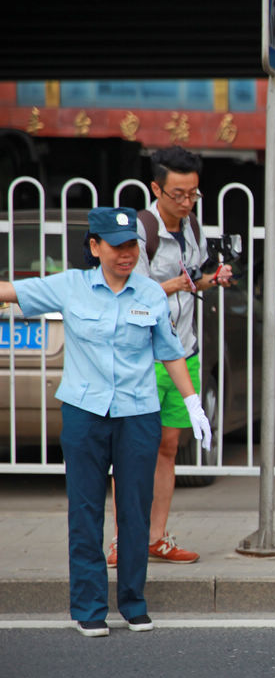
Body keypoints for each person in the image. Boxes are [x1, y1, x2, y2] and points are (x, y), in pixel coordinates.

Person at [0, 207, 212, 636]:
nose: (126, 254)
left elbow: (170, 351)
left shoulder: (150, 293)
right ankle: (89, 608)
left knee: (134, 510)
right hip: (84, 413)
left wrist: (192, 402)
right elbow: (10, 291)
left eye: (132, 245)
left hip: (138, 415)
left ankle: (133, 603)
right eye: (116, 246)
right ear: (95, 247)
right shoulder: (72, 287)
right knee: (85, 511)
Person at [107, 145, 231, 568]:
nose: (185, 202)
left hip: (184, 352)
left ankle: (156, 537)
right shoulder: (141, 230)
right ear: (156, 187)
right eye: (177, 194)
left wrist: (211, 280)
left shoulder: (193, 227)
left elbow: (191, 279)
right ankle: (125, 540)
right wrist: (175, 287)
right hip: (143, 356)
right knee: (134, 449)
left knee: (168, 447)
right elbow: (131, 294)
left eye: (193, 194)